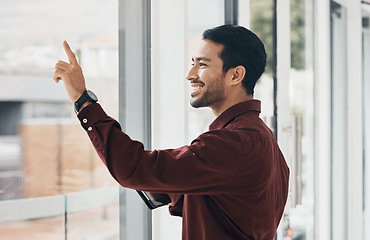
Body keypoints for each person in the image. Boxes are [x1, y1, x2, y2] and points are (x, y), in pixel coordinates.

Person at [53, 24, 289, 240]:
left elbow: (133, 167)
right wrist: (177, 192)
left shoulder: (232, 142)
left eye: (203, 64)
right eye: (193, 62)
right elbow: (234, 214)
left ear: (236, 75)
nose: (190, 74)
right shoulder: (263, 138)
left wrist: (82, 100)